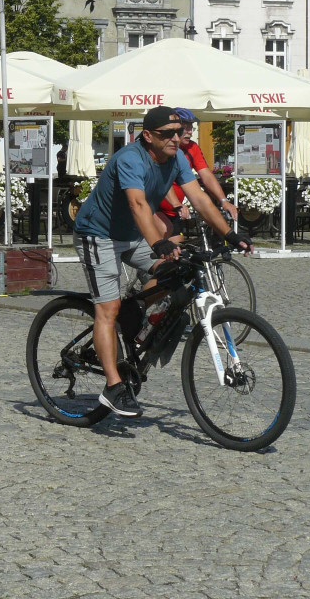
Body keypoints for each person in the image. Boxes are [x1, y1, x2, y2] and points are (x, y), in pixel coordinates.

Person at [72, 106, 253, 419]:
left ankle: (135, 312)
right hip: (97, 234)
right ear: (148, 136)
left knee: (177, 272)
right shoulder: (130, 158)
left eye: (178, 132)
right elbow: (138, 203)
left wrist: (230, 234)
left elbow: (198, 198)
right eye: (166, 134)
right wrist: (158, 242)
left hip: (131, 234)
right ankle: (113, 387)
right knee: (108, 309)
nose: (175, 138)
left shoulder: (178, 158)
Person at [155, 107, 239, 239]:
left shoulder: (192, 148)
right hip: (155, 208)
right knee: (170, 241)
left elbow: (206, 175)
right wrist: (176, 203)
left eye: (191, 127)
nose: (189, 132)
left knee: (176, 249)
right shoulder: (165, 148)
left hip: (175, 211)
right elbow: (162, 179)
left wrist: (224, 201)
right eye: (185, 128)